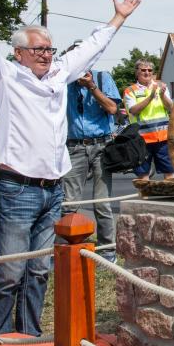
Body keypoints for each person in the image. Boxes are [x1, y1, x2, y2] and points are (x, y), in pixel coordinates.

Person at [0, 0, 141, 336]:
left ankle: (29, 334)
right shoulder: (1, 77)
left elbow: (91, 47)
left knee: (39, 270)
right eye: (38, 49)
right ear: (18, 53)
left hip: (53, 192)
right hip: (16, 190)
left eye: (50, 49)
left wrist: (118, 17)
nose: (47, 55)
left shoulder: (58, 76)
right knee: (10, 271)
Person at [61, 40, 122, 263]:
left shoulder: (102, 77)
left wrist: (91, 87)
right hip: (74, 146)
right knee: (68, 202)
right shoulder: (63, 81)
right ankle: (67, 250)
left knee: (102, 202)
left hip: (101, 146)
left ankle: (108, 252)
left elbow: (113, 109)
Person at [123, 60, 174, 180]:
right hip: (142, 141)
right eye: (143, 70)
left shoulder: (161, 86)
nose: (147, 72)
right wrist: (151, 97)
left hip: (162, 139)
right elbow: (134, 110)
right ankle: (144, 199)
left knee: (169, 173)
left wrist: (162, 96)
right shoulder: (130, 90)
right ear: (137, 72)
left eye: (150, 70)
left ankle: (170, 198)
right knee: (143, 176)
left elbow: (171, 107)